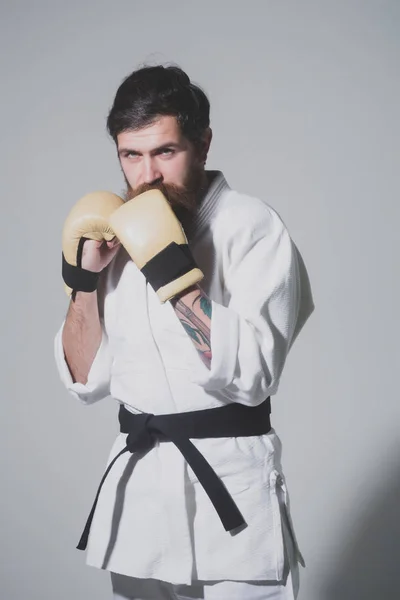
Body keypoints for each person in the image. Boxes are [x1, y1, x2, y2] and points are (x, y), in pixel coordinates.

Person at [54, 64, 315, 600]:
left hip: (231, 495)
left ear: (203, 143)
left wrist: (172, 274)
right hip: (141, 498)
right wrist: (84, 281)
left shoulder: (251, 227)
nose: (146, 176)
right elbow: (84, 383)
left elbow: (251, 378)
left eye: (165, 152)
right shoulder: (116, 235)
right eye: (132, 155)